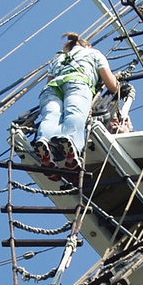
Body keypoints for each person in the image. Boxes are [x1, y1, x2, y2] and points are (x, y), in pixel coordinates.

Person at [33, 32, 119, 177]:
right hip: (77, 83)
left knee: (51, 115)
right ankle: (70, 141)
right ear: (87, 45)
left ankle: (44, 142)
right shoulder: (93, 53)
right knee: (75, 112)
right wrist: (118, 84)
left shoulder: (58, 58)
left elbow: (49, 80)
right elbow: (112, 85)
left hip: (51, 89)